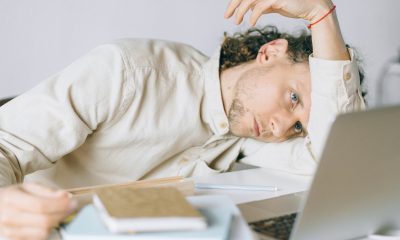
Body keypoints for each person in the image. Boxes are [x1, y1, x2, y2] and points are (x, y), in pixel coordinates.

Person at [0, 0, 365, 239]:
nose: (283, 127)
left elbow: (338, 161)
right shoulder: (129, 71)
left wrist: (322, 16)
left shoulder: (243, 137)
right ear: (270, 53)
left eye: (299, 125)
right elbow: (6, 144)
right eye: (293, 97)